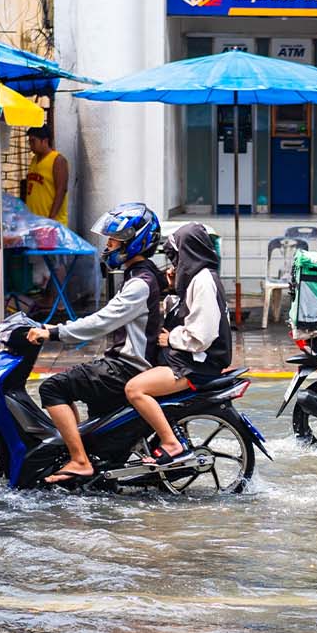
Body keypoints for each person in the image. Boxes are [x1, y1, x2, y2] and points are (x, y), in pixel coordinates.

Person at [26, 203, 164, 485]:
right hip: (126, 363)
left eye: (114, 241)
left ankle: (79, 460)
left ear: (134, 242)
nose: (108, 246)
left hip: (127, 367)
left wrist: (55, 333)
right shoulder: (140, 275)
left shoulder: (140, 283)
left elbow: (102, 322)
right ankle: (87, 456)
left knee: (53, 387)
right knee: (90, 405)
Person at [123, 223, 232, 466]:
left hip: (196, 364)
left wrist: (170, 338)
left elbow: (202, 334)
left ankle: (171, 444)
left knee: (135, 389)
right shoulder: (199, 277)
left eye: (175, 256)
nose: (173, 264)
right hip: (190, 359)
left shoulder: (202, 281)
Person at [22, 125, 69, 226]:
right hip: (35, 222)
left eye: (33, 141)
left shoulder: (57, 160)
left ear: (45, 141)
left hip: (51, 224)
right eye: (29, 142)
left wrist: (51, 219)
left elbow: (61, 190)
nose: (30, 145)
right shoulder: (34, 160)